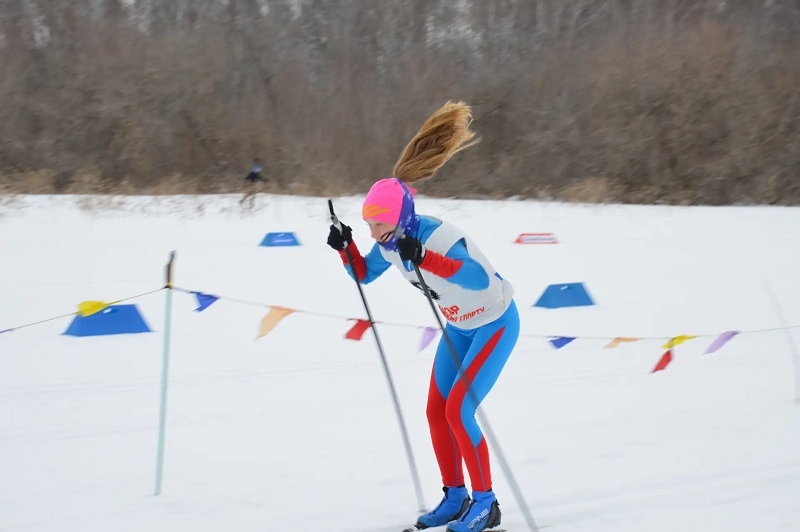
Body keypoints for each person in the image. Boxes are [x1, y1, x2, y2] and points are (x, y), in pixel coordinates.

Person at [326, 102, 519, 532]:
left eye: (377, 227)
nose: (373, 234)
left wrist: (428, 258)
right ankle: (455, 497)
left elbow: (478, 278)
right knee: (437, 412)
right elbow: (363, 275)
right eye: (369, 227)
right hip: (459, 327)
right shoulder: (390, 244)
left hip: (494, 322)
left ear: (400, 220)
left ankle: (486, 504)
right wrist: (346, 248)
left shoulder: (439, 235)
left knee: (460, 411)